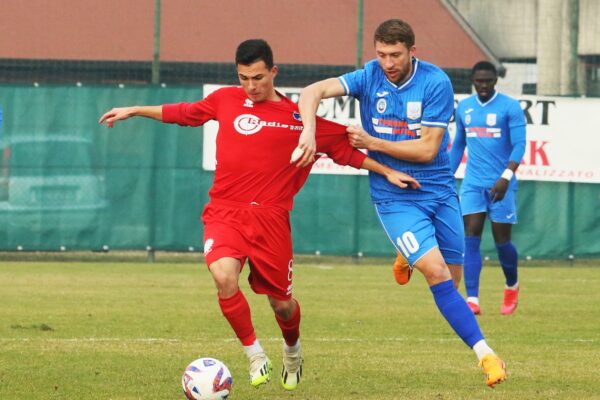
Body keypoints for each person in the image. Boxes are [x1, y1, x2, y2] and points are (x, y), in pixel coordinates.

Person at [99, 39, 419, 392]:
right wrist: (134, 109)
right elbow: (184, 113)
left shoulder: (301, 119)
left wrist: (387, 171)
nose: (250, 86)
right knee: (223, 275)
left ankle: (292, 352)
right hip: (225, 211)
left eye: (258, 77)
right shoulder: (225, 100)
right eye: (243, 78)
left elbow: (347, 152)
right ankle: (255, 355)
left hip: (271, 220)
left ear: (273, 72)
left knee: (282, 306)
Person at [298, 19, 506, 388]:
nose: (388, 62)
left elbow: (427, 150)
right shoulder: (367, 77)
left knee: (451, 281)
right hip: (393, 196)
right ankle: (487, 355)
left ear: (413, 51)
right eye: (381, 55)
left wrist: (372, 142)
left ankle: (405, 252)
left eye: (395, 55)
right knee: (437, 273)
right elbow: (311, 91)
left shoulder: (435, 82)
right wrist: (309, 131)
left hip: (440, 191)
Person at [449, 61, 526, 316]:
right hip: (472, 183)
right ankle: (472, 299)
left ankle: (511, 285)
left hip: (501, 184)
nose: (484, 85)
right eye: (479, 81)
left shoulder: (510, 107)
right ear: (472, 79)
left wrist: (505, 176)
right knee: (470, 238)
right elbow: (459, 144)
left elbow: (519, 146)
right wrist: (447, 175)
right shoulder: (465, 108)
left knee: (502, 241)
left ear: (495, 80)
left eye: (488, 81)